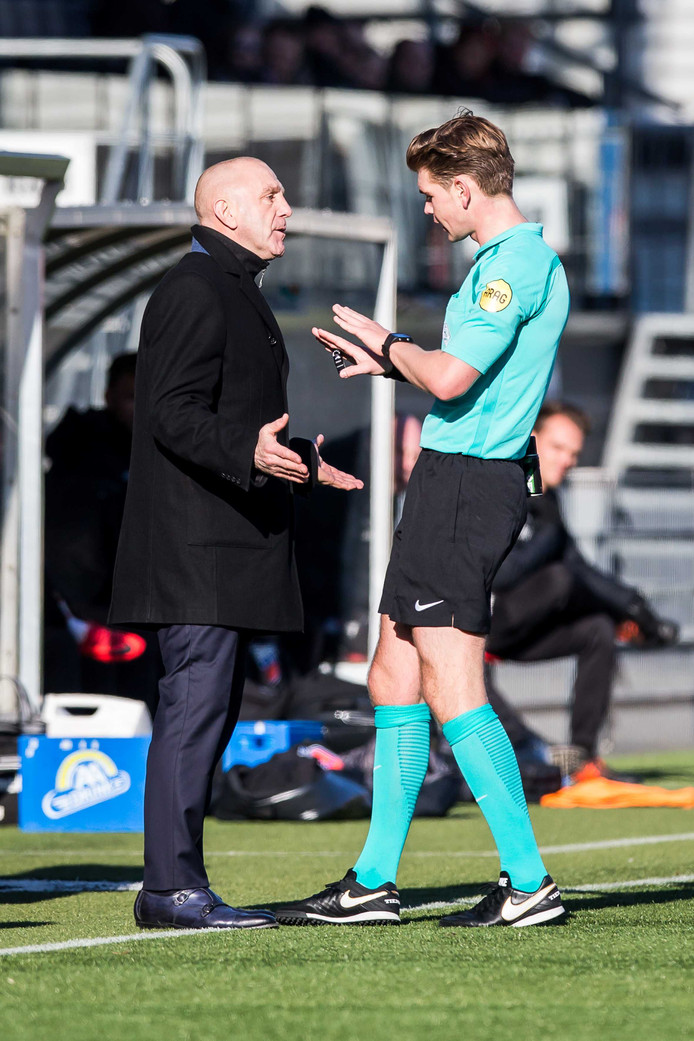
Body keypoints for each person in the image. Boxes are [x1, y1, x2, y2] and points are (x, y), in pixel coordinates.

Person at [275, 113, 570, 929]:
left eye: (432, 195)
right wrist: (391, 362)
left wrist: (390, 343)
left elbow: (448, 377)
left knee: (449, 679)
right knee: (392, 672)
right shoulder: (502, 262)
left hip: (470, 486)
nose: (429, 211)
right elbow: (457, 378)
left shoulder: (513, 266)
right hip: (450, 479)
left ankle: (528, 881)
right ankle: (374, 880)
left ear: (465, 189)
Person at [109, 156, 363, 931]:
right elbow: (170, 411)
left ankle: (179, 883)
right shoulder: (194, 287)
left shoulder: (230, 285)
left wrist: (299, 461)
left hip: (223, 552)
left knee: (209, 715)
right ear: (224, 210)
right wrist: (250, 451)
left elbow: (230, 421)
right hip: (197, 555)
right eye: (270, 196)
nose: (286, 208)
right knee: (194, 711)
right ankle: (169, 889)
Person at [485, 400, 679, 778]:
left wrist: (630, 609)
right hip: (475, 625)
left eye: (573, 453)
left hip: (515, 631)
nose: (567, 461)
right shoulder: (503, 484)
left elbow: (579, 567)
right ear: (531, 441)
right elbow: (505, 574)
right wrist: (631, 607)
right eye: (558, 448)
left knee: (597, 629)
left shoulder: (545, 497)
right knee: (561, 580)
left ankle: (583, 759)